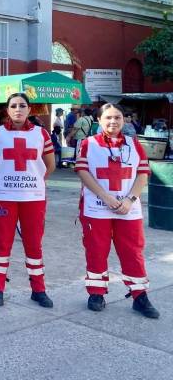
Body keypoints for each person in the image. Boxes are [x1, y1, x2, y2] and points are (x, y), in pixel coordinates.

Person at [74, 103, 160, 319]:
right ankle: (96, 293)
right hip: (97, 208)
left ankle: (139, 295)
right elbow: (82, 171)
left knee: (132, 251)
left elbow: (142, 173)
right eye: (108, 118)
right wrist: (106, 197)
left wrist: (130, 200)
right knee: (96, 250)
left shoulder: (134, 144)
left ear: (124, 119)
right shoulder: (88, 144)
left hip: (128, 210)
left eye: (117, 117)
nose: (113, 122)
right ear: (99, 120)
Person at [0, 92, 56, 308]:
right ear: (7, 110)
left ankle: (38, 290)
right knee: (2, 242)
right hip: (4, 197)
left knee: (34, 244)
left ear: (29, 110)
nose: (18, 109)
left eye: (22, 105)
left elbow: (50, 165)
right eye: (13, 105)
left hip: (33, 197)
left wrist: (33, 181)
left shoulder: (41, 134)